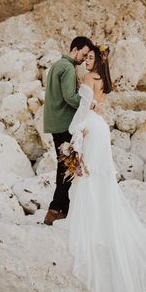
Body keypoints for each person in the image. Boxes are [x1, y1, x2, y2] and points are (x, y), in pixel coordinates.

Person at [54, 45, 146, 292]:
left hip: (90, 128)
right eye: (86, 57)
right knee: (100, 177)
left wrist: (74, 136)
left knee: (87, 176)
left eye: (91, 58)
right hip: (101, 128)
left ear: (98, 61)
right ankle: (103, 217)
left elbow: (83, 110)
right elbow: (97, 106)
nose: (87, 61)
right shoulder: (105, 83)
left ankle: (92, 223)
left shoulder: (87, 80)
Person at [43, 36, 94, 226]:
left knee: (64, 166)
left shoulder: (57, 65)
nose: (83, 59)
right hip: (64, 123)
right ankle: (54, 209)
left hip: (54, 122)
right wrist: (88, 102)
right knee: (65, 167)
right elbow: (70, 97)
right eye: (83, 54)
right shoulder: (67, 68)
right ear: (75, 49)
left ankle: (62, 208)